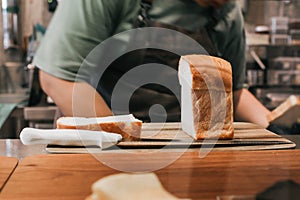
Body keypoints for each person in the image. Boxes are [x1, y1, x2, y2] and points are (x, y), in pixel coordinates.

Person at [33, 0, 272, 129]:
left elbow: (233, 91)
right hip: (104, 150)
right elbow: (58, 78)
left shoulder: (226, 12)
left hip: (193, 158)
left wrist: (277, 126)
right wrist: (123, 150)